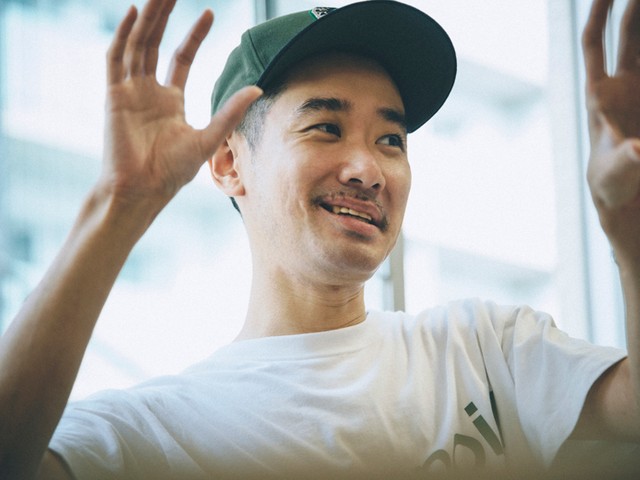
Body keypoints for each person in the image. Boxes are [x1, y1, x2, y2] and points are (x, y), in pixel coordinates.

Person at [0, 0, 639, 478]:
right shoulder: (150, 434)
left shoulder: (483, 350)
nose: (368, 169)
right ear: (229, 163)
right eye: (325, 128)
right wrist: (121, 206)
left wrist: (630, 225)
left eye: (390, 140)